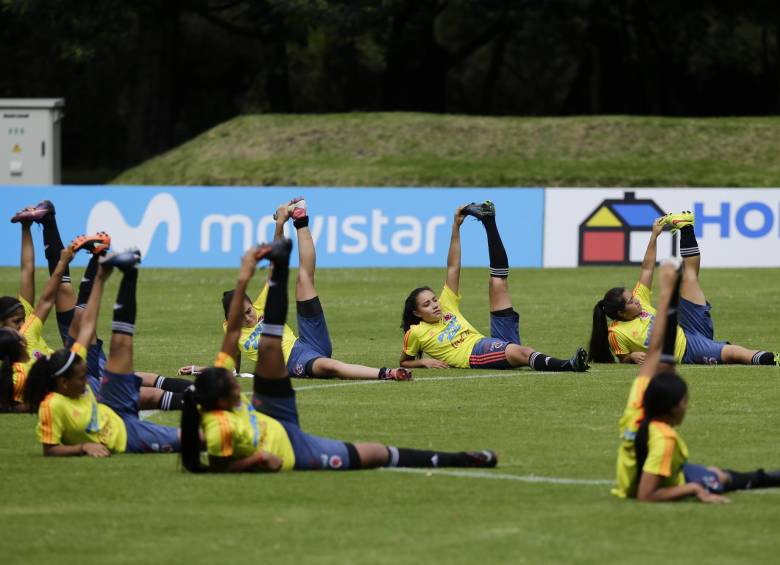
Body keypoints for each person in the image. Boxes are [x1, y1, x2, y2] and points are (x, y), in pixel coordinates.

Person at [180, 240, 497, 473]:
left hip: (284, 393)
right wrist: (258, 461)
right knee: (374, 454)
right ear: (217, 402)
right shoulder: (218, 428)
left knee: (291, 303)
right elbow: (219, 467)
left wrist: (245, 274)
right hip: (294, 447)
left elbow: (230, 345)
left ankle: (285, 256)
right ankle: (460, 458)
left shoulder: (221, 380)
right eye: (232, 388)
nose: (238, 390)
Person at [181, 197, 412, 382]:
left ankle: (301, 219)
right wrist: (196, 368)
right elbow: (230, 368)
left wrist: (280, 224)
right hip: (292, 362)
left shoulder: (261, 306)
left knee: (304, 280)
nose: (248, 317)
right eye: (241, 317)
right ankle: (387, 373)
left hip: (307, 341)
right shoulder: (231, 332)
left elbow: (275, 261)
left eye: (249, 310)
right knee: (329, 367)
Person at [613, 257, 780, 502]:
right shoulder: (664, 439)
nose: (686, 406)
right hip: (663, 481)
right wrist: (693, 490)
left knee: (717, 473)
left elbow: (660, 355)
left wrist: (667, 295)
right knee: (719, 478)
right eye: (683, 402)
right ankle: (765, 479)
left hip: (660, 471)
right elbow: (646, 494)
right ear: (670, 410)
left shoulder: (637, 406)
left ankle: (766, 477)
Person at [2, 202, 190, 411]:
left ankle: (56, 225)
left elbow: (29, 273)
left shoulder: (26, 331)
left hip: (76, 363)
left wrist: (26, 228)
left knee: (68, 297)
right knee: (142, 385)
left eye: (20, 321)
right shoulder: (13, 371)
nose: (21, 326)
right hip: (77, 376)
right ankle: (96, 257)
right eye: (15, 322)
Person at [23, 248, 181, 456]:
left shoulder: (74, 362)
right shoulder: (52, 406)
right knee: (190, 439)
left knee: (121, 344)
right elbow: (49, 449)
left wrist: (100, 278)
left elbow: (87, 325)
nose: (86, 381)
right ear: (63, 383)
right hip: (125, 433)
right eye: (81, 378)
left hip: (113, 404)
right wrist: (83, 447)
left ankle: (129, 272)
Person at [400, 202, 588, 372]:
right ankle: (569, 365)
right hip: (474, 354)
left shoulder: (446, 304)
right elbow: (404, 362)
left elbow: (453, 267)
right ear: (416, 313)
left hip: (487, 342)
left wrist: (456, 227)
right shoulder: (415, 332)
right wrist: (424, 362)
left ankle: (489, 222)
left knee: (498, 283)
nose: (435, 304)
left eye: (434, 300)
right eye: (427, 304)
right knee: (524, 352)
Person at [589, 211, 778, 366]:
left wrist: (654, 235)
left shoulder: (640, 299)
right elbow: (623, 359)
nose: (636, 299)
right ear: (621, 314)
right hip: (687, 350)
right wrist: (631, 357)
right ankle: (773, 358)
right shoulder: (616, 333)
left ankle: (686, 227)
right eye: (631, 301)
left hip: (687, 327)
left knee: (689, 278)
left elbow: (647, 268)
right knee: (732, 353)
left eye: (633, 296)